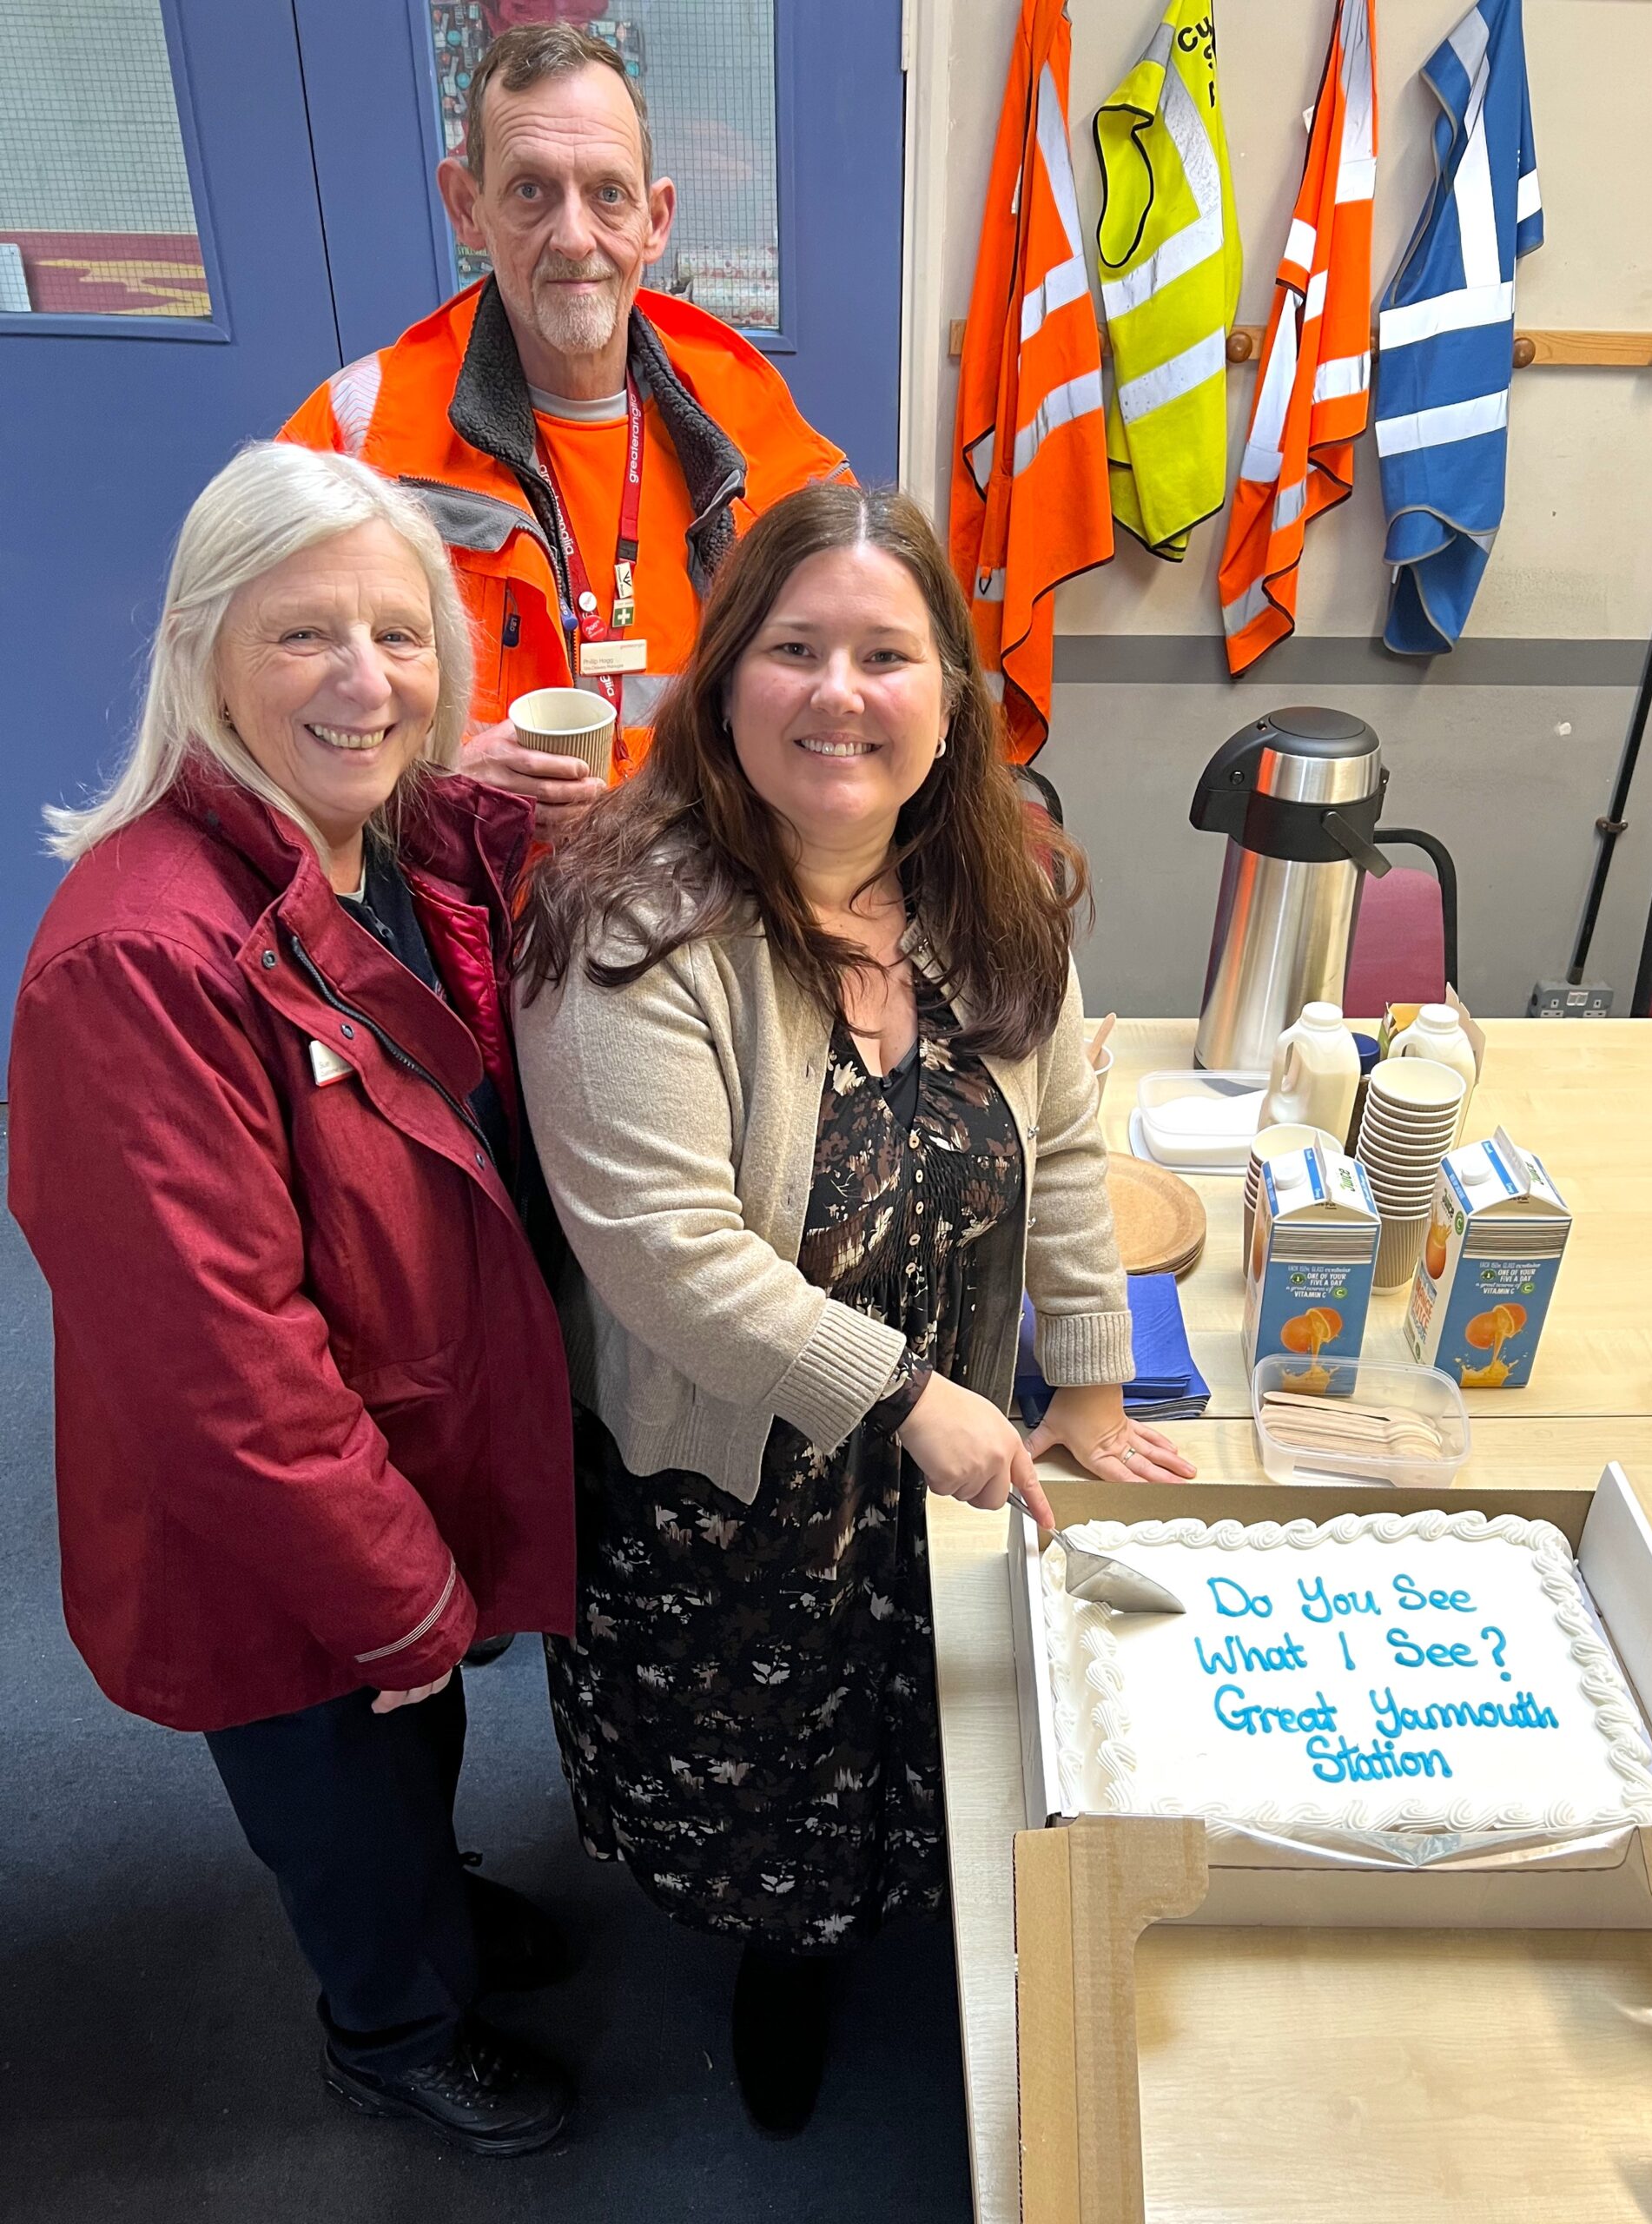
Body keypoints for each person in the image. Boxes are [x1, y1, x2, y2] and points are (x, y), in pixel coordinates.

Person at [512, 482, 1197, 2136]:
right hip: (727, 1483)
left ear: (953, 700)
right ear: (723, 677)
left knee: (913, 1724)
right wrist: (908, 1399)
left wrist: (1090, 1383)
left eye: (888, 656)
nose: (840, 694)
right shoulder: (627, 916)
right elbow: (666, 1251)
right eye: (796, 648)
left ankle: (884, 1908)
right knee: (763, 1780)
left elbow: (1071, 1141)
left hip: (925, 1465)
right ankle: (781, 1966)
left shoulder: (987, 888)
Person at [8, 443, 578, 2159]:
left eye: (401, 636)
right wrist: (400, 1590)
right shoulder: (139, 956)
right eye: (305, 634)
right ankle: (394, 2027)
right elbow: (222, 1376)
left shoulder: (373, 849)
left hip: (388, 1447)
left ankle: (439, 1916)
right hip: (273, 1525)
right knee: (338, 1781)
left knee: (411, 1761)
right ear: (202, 649)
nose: (365, 680)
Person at [281, 21, 847, 845]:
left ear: (655, 221)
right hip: (456, 921)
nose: (575, 237)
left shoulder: (749, 419)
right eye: (530, 191)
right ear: (466, 206)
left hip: (690, 910)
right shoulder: (363, 428)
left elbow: (853, 685)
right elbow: (251, 711)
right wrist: (423, 787)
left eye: (608, 194)